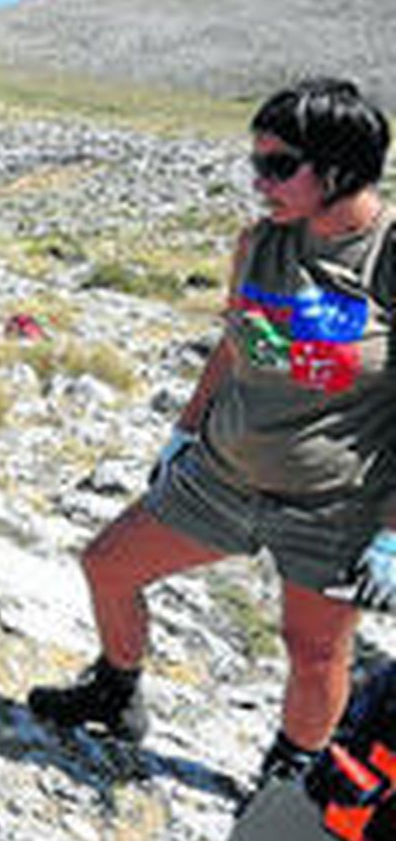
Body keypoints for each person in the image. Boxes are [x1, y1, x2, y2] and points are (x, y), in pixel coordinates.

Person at [27, 77, 396, 801]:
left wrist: (391, 531)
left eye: (278, 165)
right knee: (108, 565)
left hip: (333, 502)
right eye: (256, 162)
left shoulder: (388, 256)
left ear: (341, 166)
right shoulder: (259, 243)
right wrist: (184, 431)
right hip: (223, 474)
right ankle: (115, 690)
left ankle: (289, 777)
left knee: (315, 648)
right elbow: (232, 345)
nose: (260, 182)